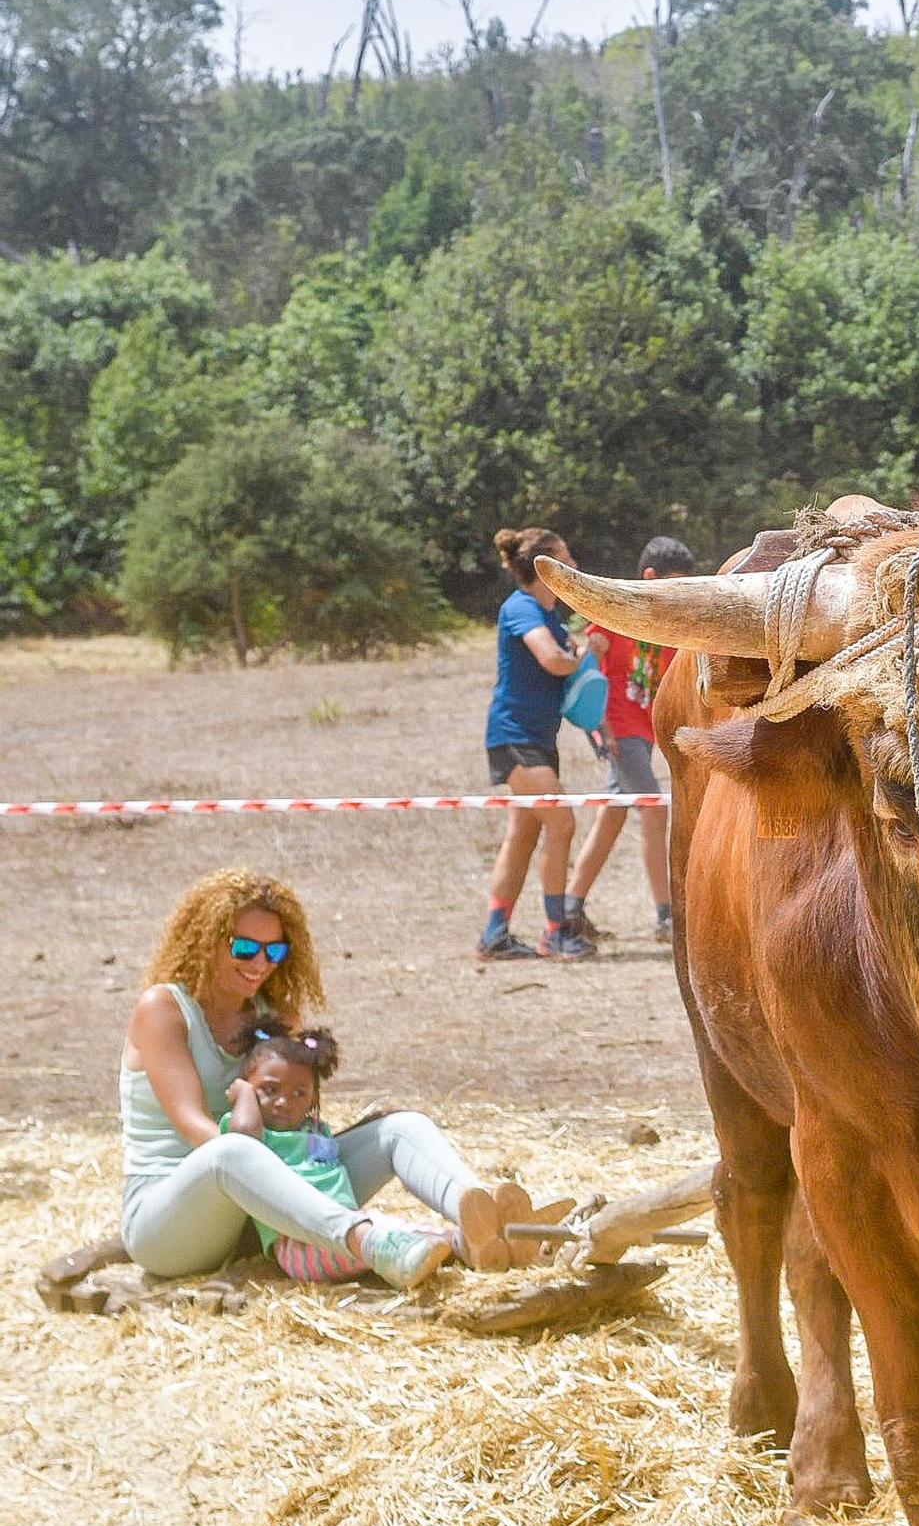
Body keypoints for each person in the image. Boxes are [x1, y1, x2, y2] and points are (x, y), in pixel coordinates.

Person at [121, 870, 531, 1291]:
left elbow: (294, 1119)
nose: (259, 964)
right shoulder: (164, 1008)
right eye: (243, 948)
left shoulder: (272, 1016)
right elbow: (194, 1128)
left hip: (260, 1217)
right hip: (171, 1223)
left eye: (273, 950)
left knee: (401, 1129)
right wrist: (282, 1177)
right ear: (206, 941)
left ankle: (493, 1222)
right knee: (233, 1150)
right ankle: (370, 1242)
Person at [219, 1020, 512, 1283]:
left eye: (299, 1094)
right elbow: (242, 1140)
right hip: (300, 1245)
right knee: (386, 1235)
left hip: (348, 1225)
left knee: (410, 1232)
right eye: (269, 1090)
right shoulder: (255, 1133)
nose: (284, 1101)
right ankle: (447, 1248)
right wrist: (244, 1094)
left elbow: (336, 1150)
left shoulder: (312, 1129)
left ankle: (482, 1239)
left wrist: (373, 1124)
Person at [564, 536, 691, 945]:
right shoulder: (612, 618)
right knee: (655, 811)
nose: (678, 593)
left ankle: (570, 907)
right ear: (650, 577)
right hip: (622, 731)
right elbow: (589, 678)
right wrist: (603, 730)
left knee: (613, 814)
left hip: (645, 731)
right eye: (672, 583)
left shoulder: (666, 627)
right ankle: (667, 916)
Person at [478, 525, 594, 963]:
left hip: (537, 739)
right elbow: (551, 659)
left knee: (523, 835)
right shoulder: (522, 608)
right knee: (562, 824)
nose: (576, 566)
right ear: (546, 569)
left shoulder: (549, 615)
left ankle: (494, 934)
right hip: (516, 738)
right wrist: (583, 657)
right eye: (566, 559)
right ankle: (555, 932)